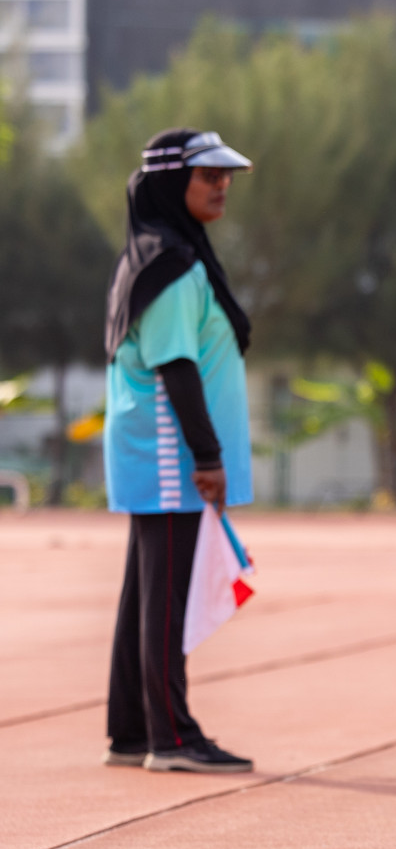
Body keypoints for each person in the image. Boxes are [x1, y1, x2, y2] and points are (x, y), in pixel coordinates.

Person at [101, 129, 257, 773]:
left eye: (226, 177)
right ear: (171, 184)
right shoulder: (170, 265)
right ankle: (171, 737)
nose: (221, 186)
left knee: (147, 589)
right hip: (169, 452)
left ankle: (134, 730)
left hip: (159, 450)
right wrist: (207, 457)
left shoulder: (166, 253)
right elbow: (175, 366)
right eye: (207, 176)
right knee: (165, 595)